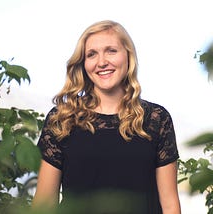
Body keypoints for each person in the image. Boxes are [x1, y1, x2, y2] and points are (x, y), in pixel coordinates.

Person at [32, 20, 181, 214]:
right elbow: (43, 205)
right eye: (92, 54)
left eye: (111, 50)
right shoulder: (62, 119)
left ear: (128, 56)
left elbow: (170, 205)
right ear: (83, 63)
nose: (102, 62)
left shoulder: (156, 119)